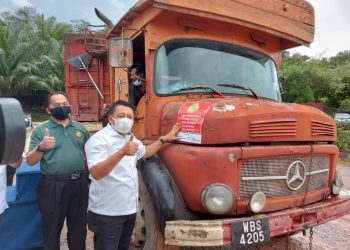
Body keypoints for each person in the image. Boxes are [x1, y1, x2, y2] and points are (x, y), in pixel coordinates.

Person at [85, 100, 180, 250]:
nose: (126, 119)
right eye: (121, 115)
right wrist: (122, 152)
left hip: (128, 211)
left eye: (130, 117)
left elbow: (145, 152)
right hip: (107, 213)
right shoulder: (98, 140)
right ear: (111, 119)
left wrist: (164, 139)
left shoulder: (129, 137)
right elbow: (96, 173)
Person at [26, 91, 90, 250]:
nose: (62, 107)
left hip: (79, 184)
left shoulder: (81, 129)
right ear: (48, 110)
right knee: (52, 230)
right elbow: (30, 160)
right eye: (56, 105)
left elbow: (89, 156)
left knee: (78, 229)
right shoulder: (41, 131)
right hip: (52, 186)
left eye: (65, 104)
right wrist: (41, 147)